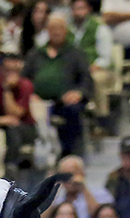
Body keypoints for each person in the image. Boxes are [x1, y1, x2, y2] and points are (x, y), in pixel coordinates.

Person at [21, 14, 93, 157]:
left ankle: (68, 155)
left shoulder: (76, 53)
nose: (56, 32)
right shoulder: (35, 54)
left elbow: (86, 79)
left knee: (73, 112)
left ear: (65, 31)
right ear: (47, 30)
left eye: (59, 28)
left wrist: (78, 93)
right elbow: (24, 79)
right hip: (37, 101)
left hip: (64, 102)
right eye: (52, 28)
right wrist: (30, 93)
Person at [52, 154, 112, 218]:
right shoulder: (58, 199)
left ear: (82, 173)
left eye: (73, 173)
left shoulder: (100, 194)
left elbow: (98, 216)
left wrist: (82, 186)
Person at [104, 135, 130, 202]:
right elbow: (108, 199)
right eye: (126, 155)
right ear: (121, 155)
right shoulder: (114, 178)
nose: (129, 158)